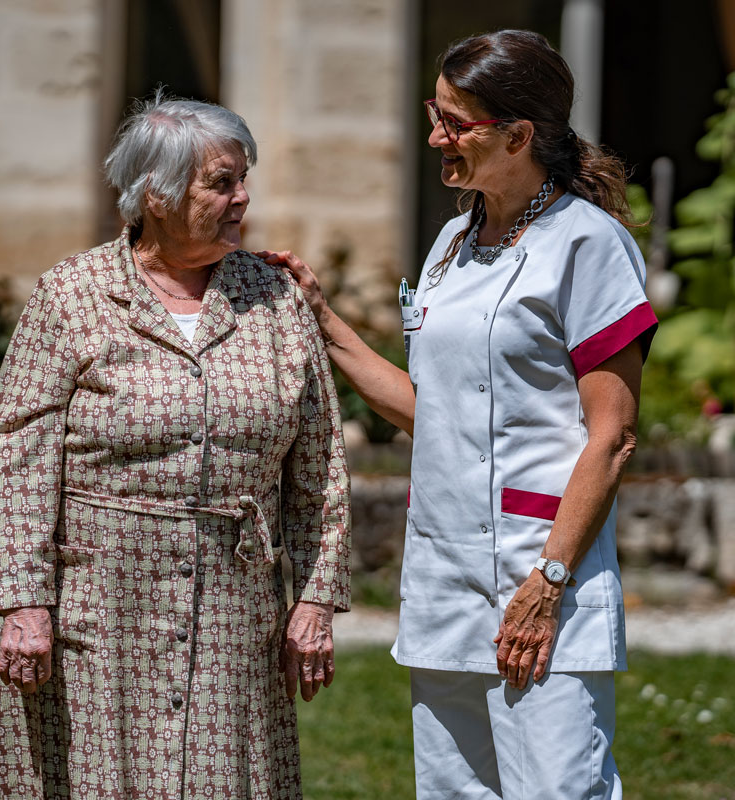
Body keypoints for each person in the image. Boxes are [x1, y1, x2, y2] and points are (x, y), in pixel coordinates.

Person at [262, 29, 656, 799]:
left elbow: (613, 436)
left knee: (559, 789)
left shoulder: (587, 244)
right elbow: (434, 413)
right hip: (445, 577)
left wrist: (548, 582)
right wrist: (321, 318)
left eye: (455, 123)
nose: (436, 137)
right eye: (434, 114)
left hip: (541, 572)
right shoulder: (452, 242)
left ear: (518, 136)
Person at [0, 92, 351, 799]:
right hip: (98, 606)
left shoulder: (275, 298)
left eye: (243, 179)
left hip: (233, 608)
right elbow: (18, 455)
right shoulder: (72, 294)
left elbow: (320, 466)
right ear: (156, 196)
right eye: (221, 182)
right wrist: (23, 603)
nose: (242, 197)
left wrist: (315, 602)